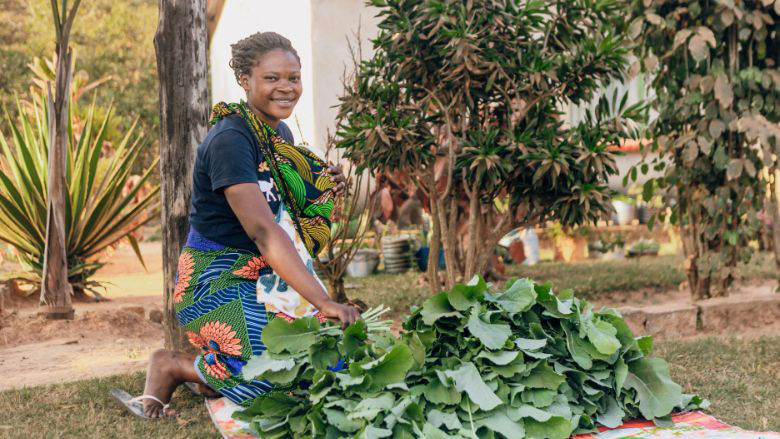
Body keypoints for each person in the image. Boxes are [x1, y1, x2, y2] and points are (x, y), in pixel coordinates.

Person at [111, 32, 360, 419]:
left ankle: (216, 372)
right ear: (245, 80)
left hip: (264, 277)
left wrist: (322, 187)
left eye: (293, 78)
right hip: (215, 282)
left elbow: (283, 204)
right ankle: (175, 366)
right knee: (281, 380)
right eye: (272, 78)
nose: (286, 88)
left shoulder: (278, 134)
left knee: (333, 365)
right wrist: (323, 302)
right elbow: (263, 230)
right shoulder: (230, 140)